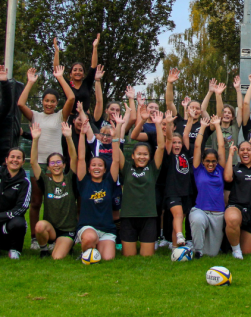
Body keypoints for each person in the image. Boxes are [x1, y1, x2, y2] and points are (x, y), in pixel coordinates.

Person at [17, 66, 75, 250]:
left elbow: (71, 98)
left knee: (58, 200)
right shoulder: (35, 115)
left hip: (55, 166)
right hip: (38, 164)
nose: (49, 104)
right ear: (42, 101)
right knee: (36, 201)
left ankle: (59, 233)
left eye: (52, 101)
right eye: (46, 101)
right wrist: (30, 82)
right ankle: (35, 238)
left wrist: (60, 78)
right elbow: (20, 104)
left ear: (57, 103)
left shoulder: (60, 116)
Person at [119, 111, 165, 257]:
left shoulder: (153, 168)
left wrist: (157, 124)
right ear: (133, 155)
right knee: (129, 257)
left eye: (145, 154)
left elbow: (161, 147)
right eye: (139, 154)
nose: (142, 157)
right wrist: (122, 126)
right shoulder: (127, 168)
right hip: (128, 217)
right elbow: (116, 148)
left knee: (147, 257)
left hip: (148, 217)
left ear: (149, 156)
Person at [76, 116, 121, 261]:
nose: (96, 167)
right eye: (93, 165)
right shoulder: (84, 182)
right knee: (89, 238)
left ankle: (94, 249)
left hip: (107, 229)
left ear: (104, 169)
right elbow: (81, 158)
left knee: (107, 258)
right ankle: (86, 248)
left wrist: (115, 139)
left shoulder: (109, 181)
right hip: (88, 227)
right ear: (89, 169)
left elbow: (116, 160)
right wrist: (82, 134)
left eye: (100, 165)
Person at [31, 122, 78, 259]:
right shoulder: (46, 181)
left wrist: (69, 137)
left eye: (59, 162)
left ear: (64, 165)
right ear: (49, 167)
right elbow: (33, 162)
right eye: (52, 163)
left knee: (57, 258)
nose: (56, 165)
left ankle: (66, 245)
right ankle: (44, 250)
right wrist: (35, 139)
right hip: (51, 229)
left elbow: (74, 158)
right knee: (39, 226)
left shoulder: (70, 179)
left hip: (67, 230)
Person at [131, 104, 173, 249]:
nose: (163, 126)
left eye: (166, 124)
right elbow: (134, 136)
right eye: (161, 124)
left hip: (168, 180)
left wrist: (166, 124)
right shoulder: (152, 136)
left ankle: (167, 238)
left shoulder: (171, 140)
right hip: (153, 180)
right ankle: (153, 238)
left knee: (168, 210)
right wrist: (143, 121)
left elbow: (165, 145)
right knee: (154, 208)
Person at [190, 115, 226, 258]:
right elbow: (198, 146)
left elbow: (221, 146)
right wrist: (203, 127)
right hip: (201, 210)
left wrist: (217, 125)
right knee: (197, 220)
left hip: (218, 214)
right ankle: (197, 250)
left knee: (212, 254)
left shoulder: (220, 170)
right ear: (203, 161)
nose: (210, 164)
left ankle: (203, 249)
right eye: (207, 161)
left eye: (213, 161)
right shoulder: (198, 170)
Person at [224, 141, 251, 259]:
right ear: (238, 153)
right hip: (236, 207)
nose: (245, 152)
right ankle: (236, 250)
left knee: (247, 252)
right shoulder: (235, 169)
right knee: (232, 218)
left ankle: (238, 244)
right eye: (242, 150)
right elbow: (227, 178)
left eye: (248, 150)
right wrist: (230, 155)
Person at [163, 110, 192, 247]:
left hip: (185, 191)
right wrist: (169, 124)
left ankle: (176, 247)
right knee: (178, 215)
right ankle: (180, 236)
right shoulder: (168, 155)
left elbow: (186, 134)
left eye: (179, 143)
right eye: (175, 143)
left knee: (180, 218)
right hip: (172, 191)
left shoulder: (185, 153)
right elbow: (168, 139)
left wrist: (191, 118)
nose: (177, 145)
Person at [53, 34, 99, 116]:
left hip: (85, 118)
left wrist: (95, 47)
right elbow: (57, 71)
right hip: (70, 118)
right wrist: (57, 51)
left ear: (83, 74)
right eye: (75, 70)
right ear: (70, 74)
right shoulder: (67, 85)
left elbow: (93, 67)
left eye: (80, 70)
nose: (77, 72)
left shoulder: (87, 84)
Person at [202, 77, 244, 165]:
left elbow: (240, 108)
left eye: (229, 113)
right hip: (216, 164)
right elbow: (203, 110)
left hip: (232, 164)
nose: (226, 114)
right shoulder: (214, 126)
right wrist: (210, 92)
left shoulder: (235, 127)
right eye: (224, 112)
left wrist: (238, 89)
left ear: (233, 117)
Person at [0, 148, 31, 259]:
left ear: (23, 162)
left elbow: (22, 207)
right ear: (6, 159)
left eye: (19, 158)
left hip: (10, 221)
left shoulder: (24, 182)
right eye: (12, 157)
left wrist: (3, 216)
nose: (15, 160)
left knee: (19, 223)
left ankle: (14, 250)